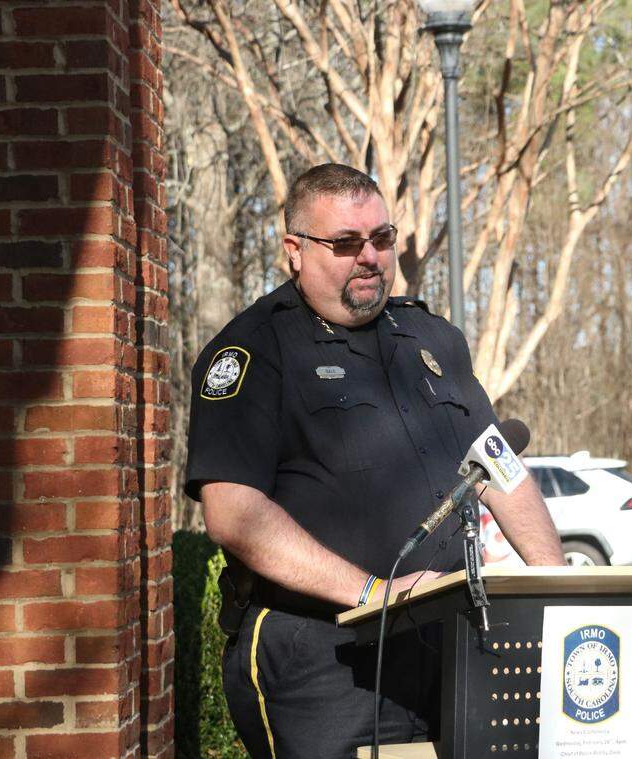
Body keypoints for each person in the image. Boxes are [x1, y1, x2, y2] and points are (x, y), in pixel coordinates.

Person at [184, 163, 564, 759]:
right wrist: (374, 594)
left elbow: (498, 465)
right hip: (320, 657)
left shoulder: (432, 339)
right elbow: (232, 514)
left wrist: (554, 585)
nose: (369, 257)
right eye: (345, 243)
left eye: (381, 239)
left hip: (449, 644)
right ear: (295, 250)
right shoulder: (252, 351)